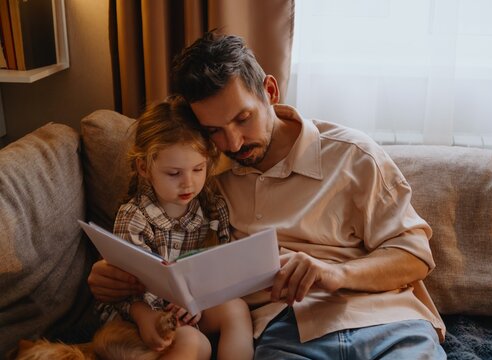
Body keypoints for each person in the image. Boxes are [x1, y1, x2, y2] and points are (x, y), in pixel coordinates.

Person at [89, 31, 446, 359]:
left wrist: (338, 274)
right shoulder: (205, 177)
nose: (233, 143)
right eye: (214, 130)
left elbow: (414, 255)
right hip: (286, 333)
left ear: (270, 92)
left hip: (386, 321)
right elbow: (172, 251)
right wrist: (112, 274)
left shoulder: (352, 155)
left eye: (243, 119)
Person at [97, 97, 253, 360]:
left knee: (236, 309)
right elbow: (122, 292)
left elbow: (220, 272)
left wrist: (198, 302)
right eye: (174, 173)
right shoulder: (134, 217)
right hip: (138, 316)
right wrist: (147, 317)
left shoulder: (213, 209)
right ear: (145, 168)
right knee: (195, 343)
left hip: (192, 309)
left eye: (198, 169)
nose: (188, 184)